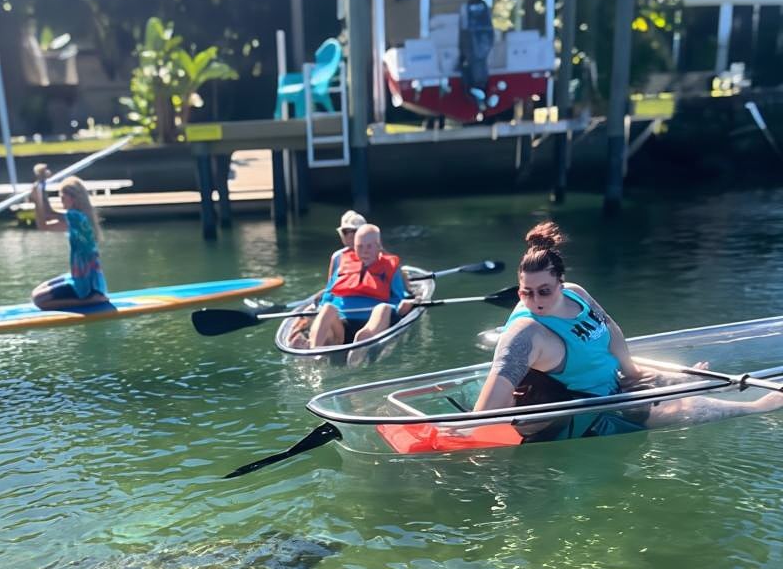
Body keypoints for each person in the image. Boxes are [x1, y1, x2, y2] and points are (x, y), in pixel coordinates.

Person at [475, 221, 783, 439]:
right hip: (593, 410)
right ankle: (755, 407)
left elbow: (612, 330)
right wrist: (464, 431)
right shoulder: (525, 334)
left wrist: (632, 372)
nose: (535, 300)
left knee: (679, 377)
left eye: (545, 291)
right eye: (526, 292)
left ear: (561, 282)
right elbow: (490, 404)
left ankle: (684, 382)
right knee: (684, 406)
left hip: (615, 383)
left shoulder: (576, 294)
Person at [306, 222, 416, 349]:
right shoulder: (343, 266)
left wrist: (402, 306)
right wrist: (318, 308)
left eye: (369, 246)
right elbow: (328, 295)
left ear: (378, 246)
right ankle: (314, 353)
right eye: (360, 246)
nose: (364, 252)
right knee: (328, 308)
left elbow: (399, 298)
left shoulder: (391, 268)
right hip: (342, 325)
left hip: (371, 322)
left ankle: (361, 346)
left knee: (383, 308)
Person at [29, 165, 109, 310]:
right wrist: (39, 193)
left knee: (39, 301)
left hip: (87, 281)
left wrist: (40, 191)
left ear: (73, 199)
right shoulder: (78, 217)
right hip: (80, 276)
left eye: (62, 198)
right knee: (36, 292)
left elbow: (46, 214)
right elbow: (44, 225)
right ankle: (92, 295)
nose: (61, 202)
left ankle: (91, 300)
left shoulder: (77, 217)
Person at [286, 209, 366, 347]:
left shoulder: (371, 255)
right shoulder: (337, 257)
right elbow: (332, 286)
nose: (350, 237)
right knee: (318, 309)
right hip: (338, 307)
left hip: (358, 310)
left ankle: (316, 345)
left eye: (355, 232)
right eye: (346, 232)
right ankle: (312, 346)